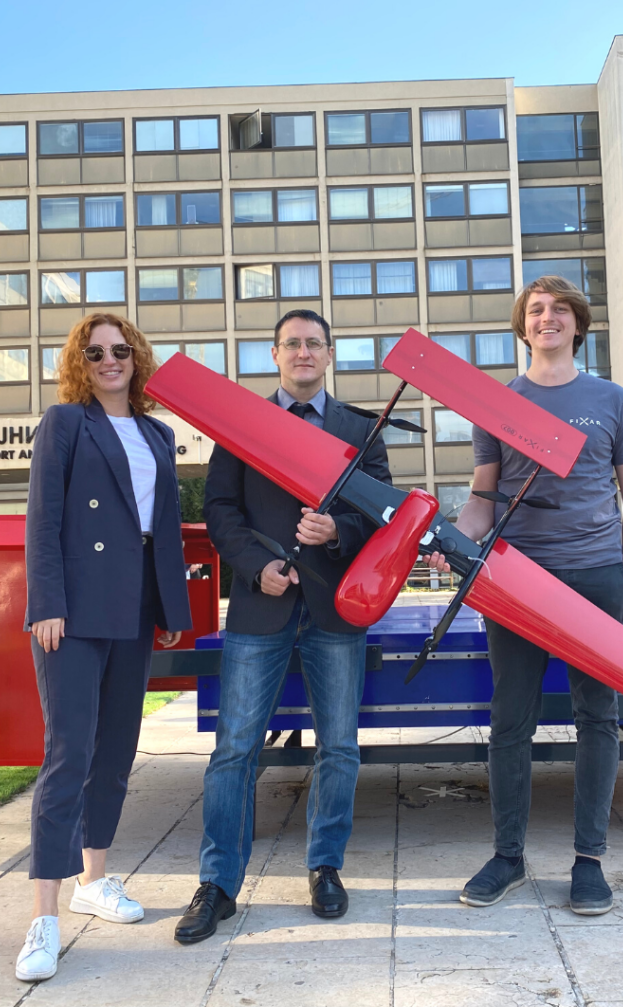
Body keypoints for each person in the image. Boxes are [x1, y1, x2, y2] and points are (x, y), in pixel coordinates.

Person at [426, 276, 623, 916]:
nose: (547, 319)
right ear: (523, 327)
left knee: (598, 717)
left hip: (594, 577)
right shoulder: (499, 403)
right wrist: (453, 541)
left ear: (578, 324)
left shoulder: (610, 400)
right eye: (535, 311)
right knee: (509, 720)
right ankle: (508, 856)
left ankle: (590, 861)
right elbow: (481, 500)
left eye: (558, 310)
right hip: (515, 581)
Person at [174, 309, 392, 944]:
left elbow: (383, 514)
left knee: (340, 749)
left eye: (313, 343)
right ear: (274, 354)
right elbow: (220, 510)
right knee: (234, 751)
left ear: (329, 354)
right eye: (291, 344)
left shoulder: (360, 429)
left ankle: (325, 868)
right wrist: (255, 564)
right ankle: (218, 884)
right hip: (258, 605)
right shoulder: (242, 425)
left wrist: (338, 531)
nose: (303, 352)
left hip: (335, 610)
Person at [18, 312, 193, 981]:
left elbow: (164, 528)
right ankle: (44, 916)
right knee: (69, 755)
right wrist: (47, 605)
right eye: (95, 353)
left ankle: (95, 881)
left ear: (136, 358)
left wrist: (171, 606)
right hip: (75, 612)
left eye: (120, 351)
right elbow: (44, 517)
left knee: (117, 753)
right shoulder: (65, 423)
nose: (109, 360)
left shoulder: (156, 431)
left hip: (135, 606)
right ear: (79, 363)